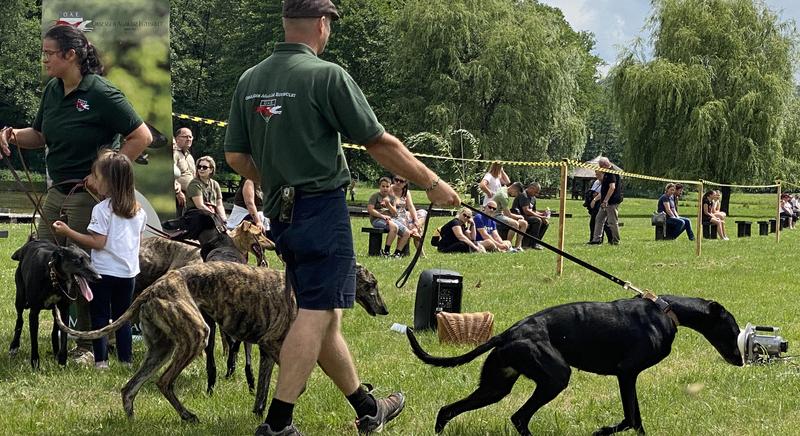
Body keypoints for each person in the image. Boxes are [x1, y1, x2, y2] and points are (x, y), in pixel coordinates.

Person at [222, 1, 460, 434]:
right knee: (313, 314)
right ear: (321, 24)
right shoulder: (326, 75)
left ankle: (368, 407)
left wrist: (278, 180)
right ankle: (278, 425)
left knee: (326, 314)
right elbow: (378, 142)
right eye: (329, 24)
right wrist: (431, 182)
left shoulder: (249, 80)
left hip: (284, 214)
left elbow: (236, 156)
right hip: (320, 209)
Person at [0, 24, 152, 364]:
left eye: (49, 54)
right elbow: (39, 135)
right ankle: (56, 334)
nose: (44, 60)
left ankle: (88, 344)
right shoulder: (53, 91)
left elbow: (141, 136)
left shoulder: (101, 92)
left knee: (83, 265)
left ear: (71, 55)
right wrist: (9, 135)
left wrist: (104, 175)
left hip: (88, 196)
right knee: (42, 261)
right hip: (56, 192)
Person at [51, 152, 146, 369]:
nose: (93, 181)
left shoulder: (101, 210)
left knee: (100, 318)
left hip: (102, 273)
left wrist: (68, 231)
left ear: (109, 182)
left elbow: (98, 242)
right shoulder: (138, 211)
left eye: (96, 176)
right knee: (123, 319)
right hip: (128, 273)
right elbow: (138, 242)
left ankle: (101, 362)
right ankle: (126, 361)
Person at [367, 177, 410, 257]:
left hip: (390, 219)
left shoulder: (392, 198)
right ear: (379, 187)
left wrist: (388, 204)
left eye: (387, 186)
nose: (385, 188)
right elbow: (370, 210)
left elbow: (395, 213)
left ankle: (397, 253)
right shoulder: (375, 196)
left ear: (390, 187)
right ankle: (386, 251)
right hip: (377, 219)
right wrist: (382, 216)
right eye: (383, 186)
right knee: (394, 227)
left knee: (407, 233)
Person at [588, 158, 623, 245]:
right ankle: (596, 240)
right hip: (604, 202)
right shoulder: (606, 173)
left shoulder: (611, 173)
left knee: (612, 222)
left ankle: (616, 241)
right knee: (599, 219)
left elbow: (612, 187)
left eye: (600, 166)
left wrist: (606, 200)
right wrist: (596, 199)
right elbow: (604, 190)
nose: (600, 168)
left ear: (604, 166)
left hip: (611, 202)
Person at [390, 174, 427, 253]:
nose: (398, 182)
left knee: (423, 213)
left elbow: (410, 206)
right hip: (394, 216)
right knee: (408, 224)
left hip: (404, 214)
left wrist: (416, 220)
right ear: (393, 180)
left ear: (405, 183)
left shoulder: (406, 191)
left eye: (401, 181)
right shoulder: (389, 189)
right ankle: (421, 253)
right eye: (396, 180)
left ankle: (414, 229)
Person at [185, 155, 227, 223]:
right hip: (197, 217)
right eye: (199, 167)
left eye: (204, 167)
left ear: (211, 170)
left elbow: (219, 205)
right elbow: (200, 206)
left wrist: (223, 218)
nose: (201, 169)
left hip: (211, 215)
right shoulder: (194, 184)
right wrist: (215, 218)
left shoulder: (215, 184)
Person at [491, 181, 528, 251]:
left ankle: (518, 246)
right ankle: (508, 246)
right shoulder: (503, 196)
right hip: (495, 216)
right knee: (515, 224)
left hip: (501, 214)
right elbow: (508, 215)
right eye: (517, 193)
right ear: (514, 188)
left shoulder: (504, 189)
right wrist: (520, 217)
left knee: (524, 224)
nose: (516, 196)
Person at [513, 182, 548, 250]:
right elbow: (526, 211)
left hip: (528, 216)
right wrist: (540, 217)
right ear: (531, 188)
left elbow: (533, 210)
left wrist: (542, 214)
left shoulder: (533, 198)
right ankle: (532, 244)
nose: (536, 194)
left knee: (545, 222)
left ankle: (537, 242)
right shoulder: (524, 195)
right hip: (520, 216)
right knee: (537, 220)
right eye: (535, 192)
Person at [174, 127, 196, 216]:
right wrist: (178, 192)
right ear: (177, 139)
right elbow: (170, 174)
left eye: (190, 137)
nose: (188, 139)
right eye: (185, 136)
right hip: (179, 197)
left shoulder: (190, 156)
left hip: (192, 197)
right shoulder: (174, 153)